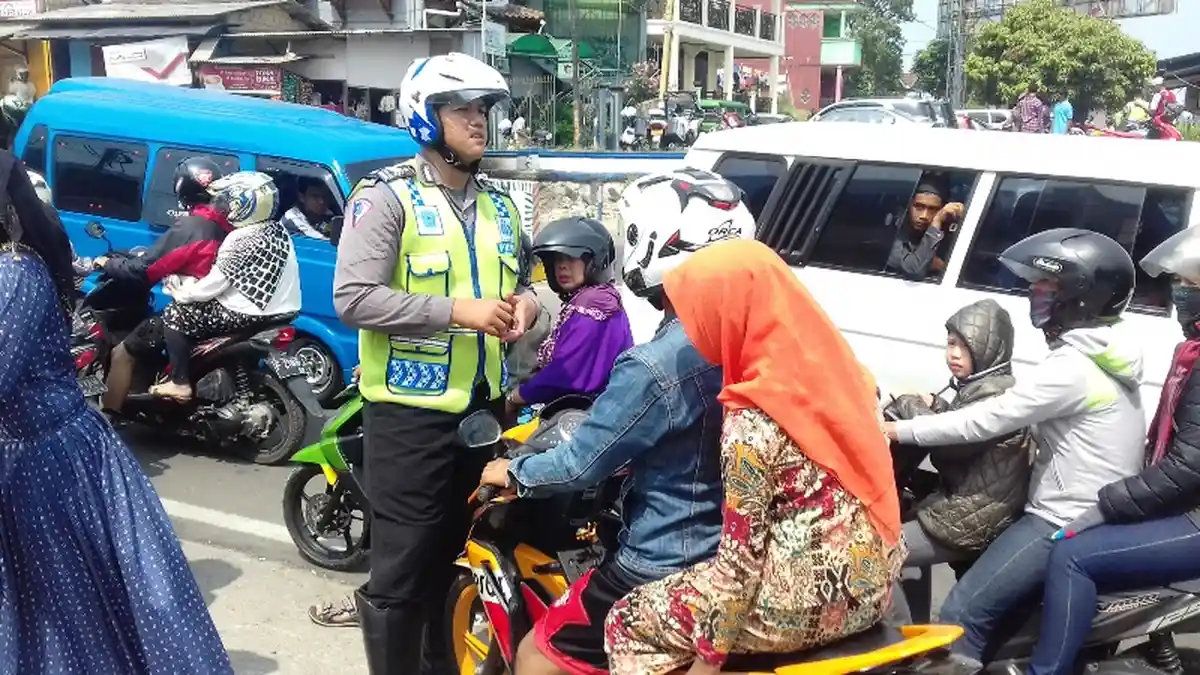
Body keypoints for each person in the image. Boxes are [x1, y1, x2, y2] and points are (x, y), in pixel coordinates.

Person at [475, 167, 757, 675]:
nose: (562, 269)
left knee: (538, 655)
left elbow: (583, 463)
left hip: (667, 559)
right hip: (741, 557)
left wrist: (512, 472)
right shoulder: (754, 339)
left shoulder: (658, 364)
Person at [604, 239, 903, 675]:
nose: (691, 325)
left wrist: (708, 660)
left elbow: (739, 562)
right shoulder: (843, 373)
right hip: (873, 580)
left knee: (627, 620)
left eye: (697, 311)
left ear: (727, 315)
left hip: (804, 601)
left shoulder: (753, 421)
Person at [331, 52, 540, 675]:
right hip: (408, 418)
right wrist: (458, 311)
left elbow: (532, 284)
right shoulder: (386, 197)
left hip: (482, 415)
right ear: (426, 117)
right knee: (405, 566)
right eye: (464, 110)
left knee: (467, 554)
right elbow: (353, 298)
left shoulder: (502, 207)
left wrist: (528, 304)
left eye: (484, 110)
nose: (479, 122)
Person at [0, 150, 232, 673]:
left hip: (48, 467)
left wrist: (124, 264)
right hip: (28, 461)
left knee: (69, 611)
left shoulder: (14, 271)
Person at [883, 228, 1147, 668]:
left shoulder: (1073, 368)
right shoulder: (1107, 351)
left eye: (1045, 286)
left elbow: (985, 420)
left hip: (1061, 516)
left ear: (1080, 295)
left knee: (961, 613)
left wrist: (896, 432)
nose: (1034, 293)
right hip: (1085, 507)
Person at [1024, 227, 1200, 675]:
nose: (1180, 292)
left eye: (1191, 285)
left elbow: (1187, 467)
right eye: (1178, 282)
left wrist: (1109, 504)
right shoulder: (1191, 355)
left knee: (1073, 556)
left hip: (1195, 516)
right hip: (1185, 506)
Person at [885, 299, 1034, 623]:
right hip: (965, 507)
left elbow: (950, 443)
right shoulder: (985, 386)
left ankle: (893, 644)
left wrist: (908, 401)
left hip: (971, 517)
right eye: (950, 343)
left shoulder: (995, 394)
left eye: (964, 346)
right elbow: (960, 422)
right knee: (903, 542)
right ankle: (916, 631)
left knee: (879, 551)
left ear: (987, 348)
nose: (953, 353)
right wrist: (937, 402)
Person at [150, 171, 302, 401]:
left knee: (175, 314)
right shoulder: (279, 231)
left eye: (227, 201)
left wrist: (182, 293)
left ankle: (179, 382)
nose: (223, 208)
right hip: (286, 311)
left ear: (244, 204)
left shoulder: (240, 237)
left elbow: (210, 287)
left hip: (247, 314)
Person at [99, 156, 228, 412]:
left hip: (192, 311)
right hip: (220, 308)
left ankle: (108, 420)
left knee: (122, 353)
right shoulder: (225, 224)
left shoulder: (192, 225)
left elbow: (146, 271)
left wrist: (107, 264)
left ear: (182, 189)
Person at [506, 216, 633, 414]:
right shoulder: (603, 298)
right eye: (557, 259)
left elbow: (563, 374)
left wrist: (515, 397)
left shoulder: (592, 306)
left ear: (594, 261)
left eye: (571, 257)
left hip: (584, 416)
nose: (562, 266)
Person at [885, 179, 965, 281]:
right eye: (918, 207)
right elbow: (913, 270)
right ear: (909, 205)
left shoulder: (948, 231)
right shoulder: (895, 233)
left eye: (933, 209)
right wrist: (936, 222)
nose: (924, 216)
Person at [281, 176, 334, 241]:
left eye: (324, 196)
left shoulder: (328, 214)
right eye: (315, 196)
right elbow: (321, 241)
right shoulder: (292, 219)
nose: (321, 201)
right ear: (302, 197)